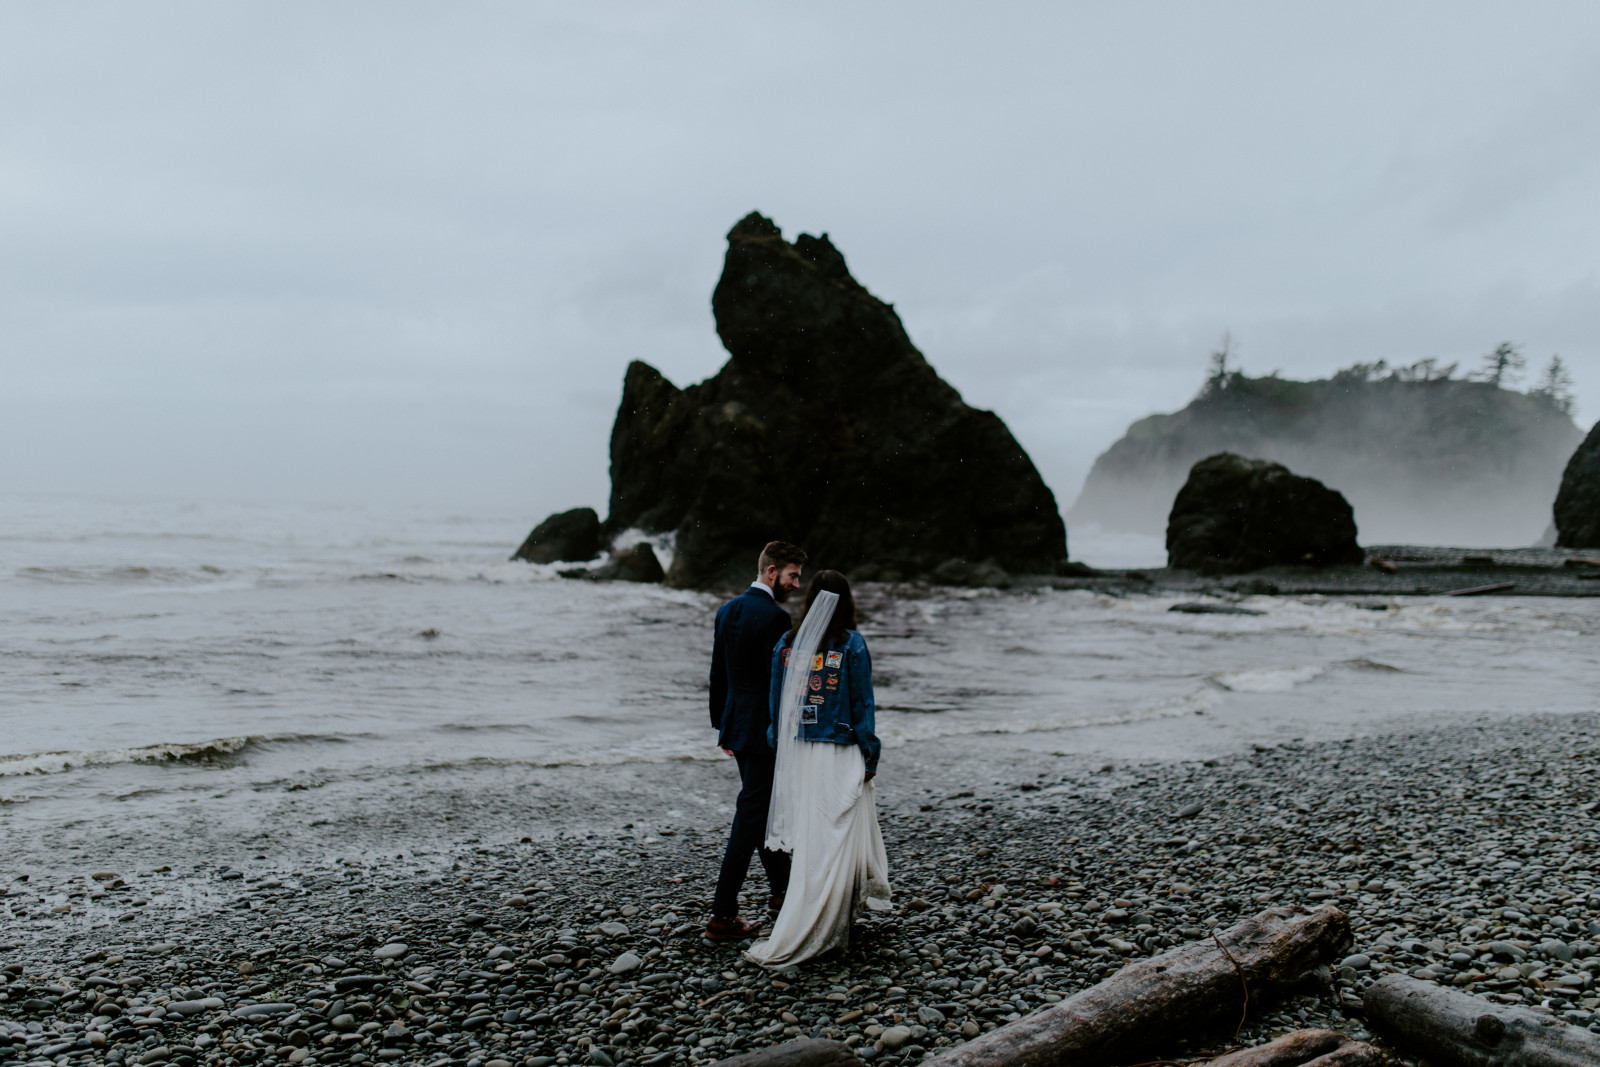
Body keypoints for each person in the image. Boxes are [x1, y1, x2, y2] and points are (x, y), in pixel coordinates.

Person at [745, 570, 890, 967]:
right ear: (847, 601)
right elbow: (862, 705)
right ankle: (830, 918)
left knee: (812, 837)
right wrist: (871, 754)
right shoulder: (851, 644)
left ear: (810, 600)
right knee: (836, 834)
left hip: (801, 754)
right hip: (840, 749)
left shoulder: (787, 646)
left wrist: (783, 749)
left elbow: (778, 710)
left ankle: (809, 913)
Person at [706, 540, 807, 941]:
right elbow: (780, 686)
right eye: (793, 575)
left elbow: (718, 673)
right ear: (772, 573)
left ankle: (783, 892)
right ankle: (722, 914)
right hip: (765, 730)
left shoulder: (727, 610)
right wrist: (794, 730)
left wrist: (722, 726)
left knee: (762, 809)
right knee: (751, 817)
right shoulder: (775, 619)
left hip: (736, 725)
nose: (797, 584)